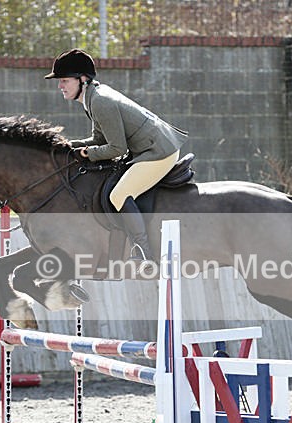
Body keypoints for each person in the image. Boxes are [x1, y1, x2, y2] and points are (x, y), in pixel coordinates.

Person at [45, 48, 187, 268]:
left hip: (159, 152)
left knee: (118, 194)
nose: (60, 86)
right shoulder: (93, 97)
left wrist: (87, 154)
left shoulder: (100, 101)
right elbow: (98, 138)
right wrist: (69, 146)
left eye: (64, 80)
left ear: (82, 79)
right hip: (147, 148)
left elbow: (116, 148)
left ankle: (143, 252)